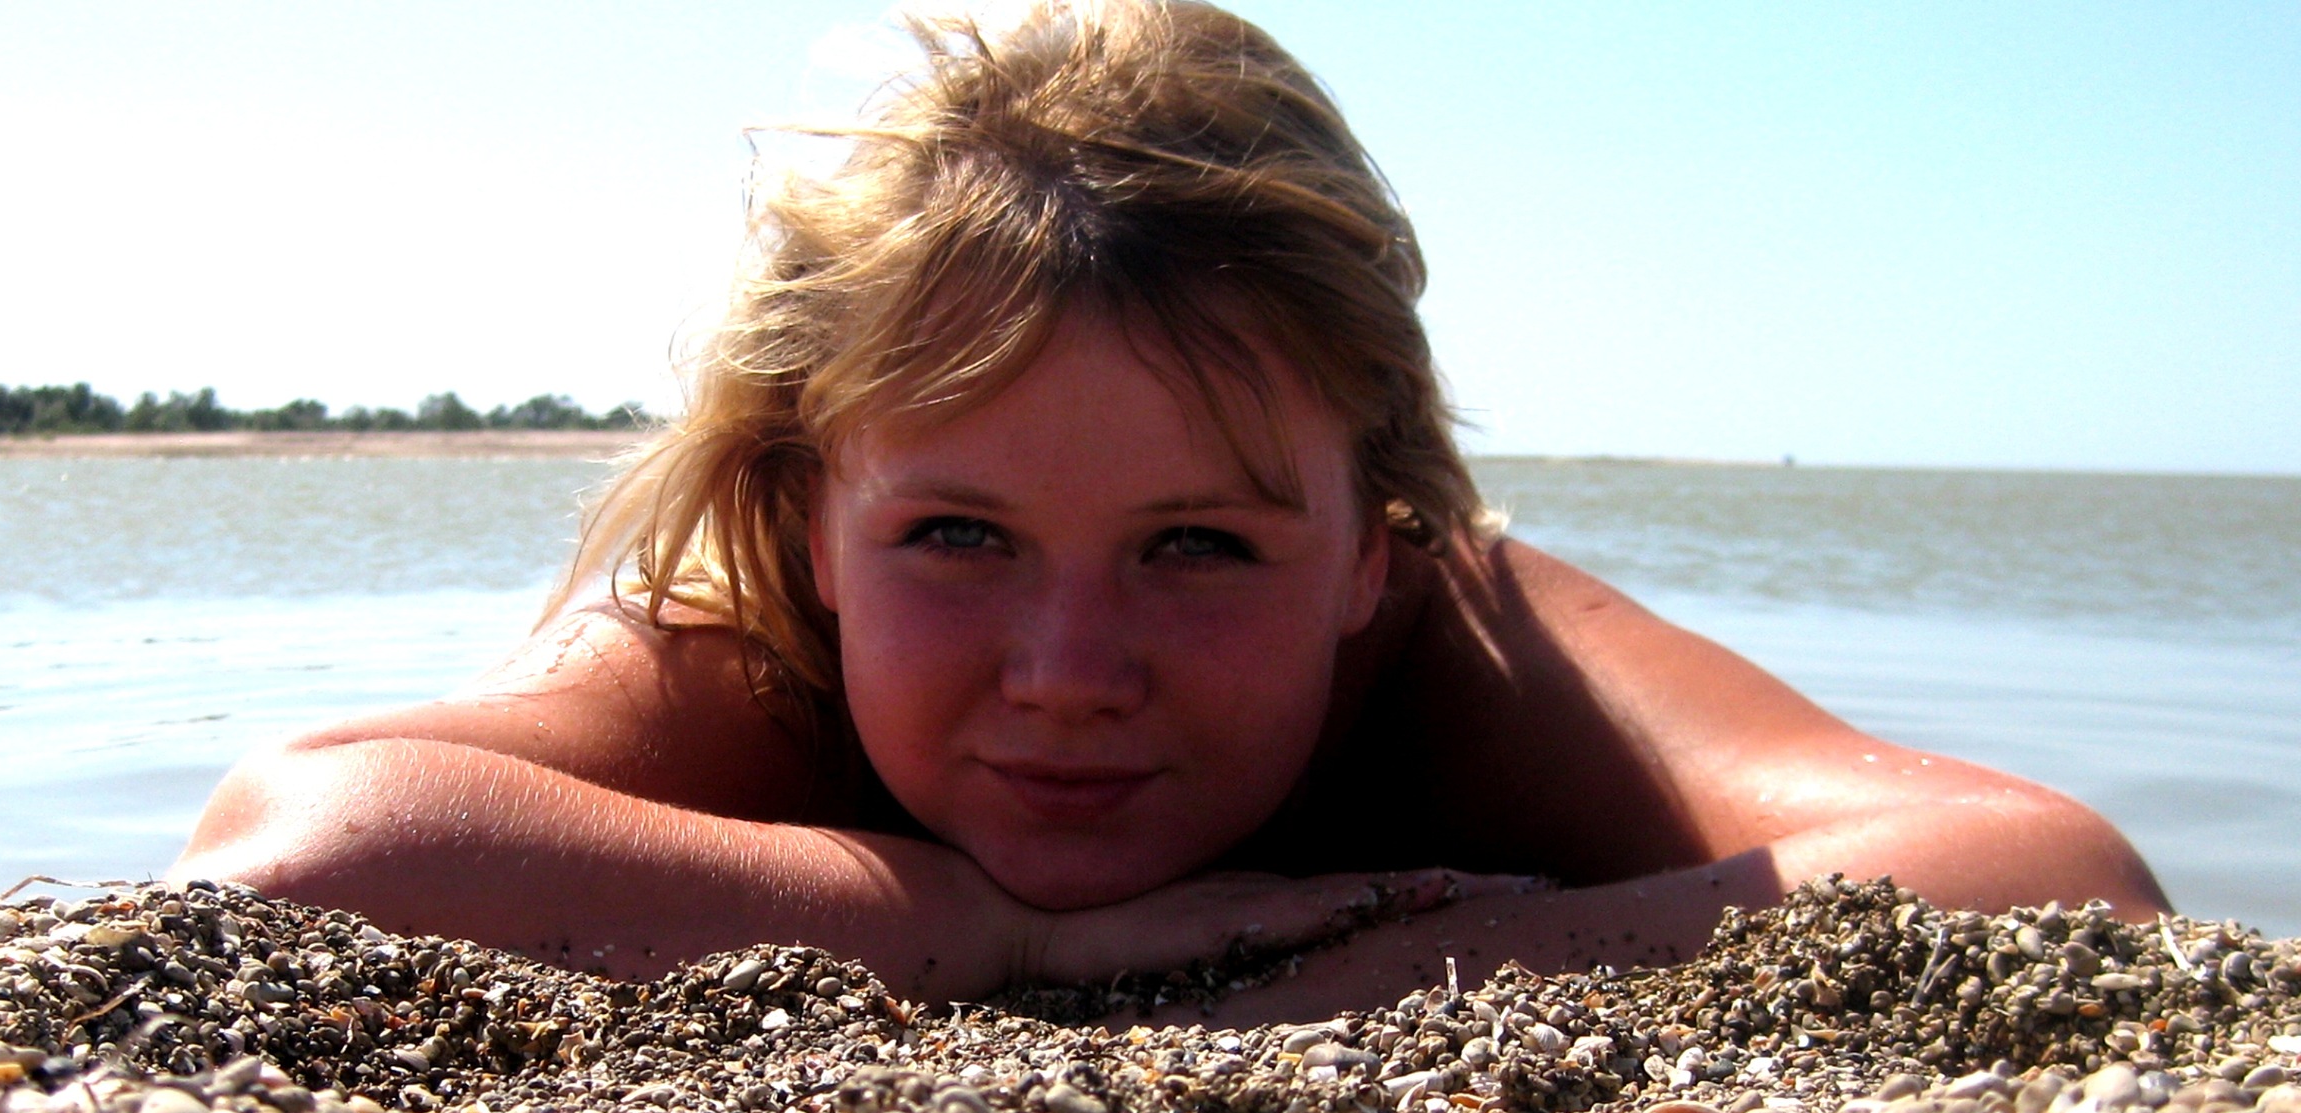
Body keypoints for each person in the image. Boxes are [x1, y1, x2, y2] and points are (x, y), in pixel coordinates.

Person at [174, 0, 2164, 1025]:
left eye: (1198, 546)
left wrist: (1366, 973)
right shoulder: (758, 645)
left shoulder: (1461, 658)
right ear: (806, 516)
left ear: (1368, 545)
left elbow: (2042, 868)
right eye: (956, 540)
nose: (1068, 673)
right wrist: (985, 930)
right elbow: (300, 845)